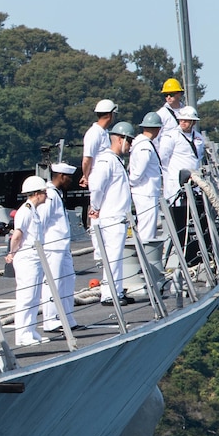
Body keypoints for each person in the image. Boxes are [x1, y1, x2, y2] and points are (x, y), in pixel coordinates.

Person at [88, 125, 133, 305]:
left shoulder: (115, 160)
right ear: (120, 139)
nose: (130, 145)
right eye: (128, 140)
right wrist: (96, 207)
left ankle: (117, 291)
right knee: (112, 258)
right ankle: (109, 294)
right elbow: (97, 187)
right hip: (111, 217)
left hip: (119, 217)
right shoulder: (106, 161)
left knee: (117, 258)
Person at [160, 105, 207, 268]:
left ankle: (197, 254)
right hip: (176, 185)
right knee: (180, 219)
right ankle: (184, 254)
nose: (184, 123)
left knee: (196, 217)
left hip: (194, 184)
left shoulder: (198, 138)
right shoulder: (171, 137)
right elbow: (164, 159)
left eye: (187, 120)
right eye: (182, 120)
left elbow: (199, 157)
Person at [6, 176, 49, 346]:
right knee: (26, 296)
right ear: (37, 193)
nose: (46, 195)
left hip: (35, 257)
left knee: (34, 297)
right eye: (44, 192)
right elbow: (17, 235)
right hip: (27, 257)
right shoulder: (25, 210)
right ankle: (23, 335)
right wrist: (11, 252)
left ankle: (30, 330)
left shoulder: (33, 210)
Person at [40, 162, 81, 334]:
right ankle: (50, 320)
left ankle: (67, 317)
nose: (70, 181)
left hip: (62, 246)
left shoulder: (56, 194)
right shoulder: (49, 195)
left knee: (68, 281)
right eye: (69, 177)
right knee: (53, 283)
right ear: (61, 176)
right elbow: (41, 221)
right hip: (52, 246)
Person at [129, 114, 165, 245]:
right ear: (157, 129)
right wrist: (132, 184)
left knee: (147, 226)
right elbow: (138, 172)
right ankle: (146, 256)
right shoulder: (145, 147)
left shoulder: (141, 144)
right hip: (146, 192)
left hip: (145, 191)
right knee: (147, 229)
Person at [79, 99, 118, 187]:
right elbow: (87, 159)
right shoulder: (94, 133)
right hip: (97, 175)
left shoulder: (104, 132)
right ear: (109, 115)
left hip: (106, 176)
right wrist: (85, 176)